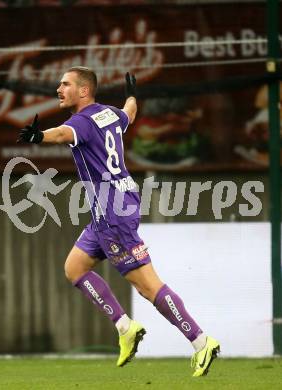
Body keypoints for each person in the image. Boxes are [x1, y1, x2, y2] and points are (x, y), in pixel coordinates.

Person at [17, 66, 220, 376]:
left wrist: (38, 135)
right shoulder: (110, 114)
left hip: (113, 213)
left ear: (84, 91)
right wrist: (132, 94)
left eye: (65, 84)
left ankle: (201, 341)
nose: (59, 89)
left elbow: (61, 134)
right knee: (74, 268)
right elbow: (131, 112)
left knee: (148, 287)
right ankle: (125, 327)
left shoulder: (81, 122)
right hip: (115, 204)